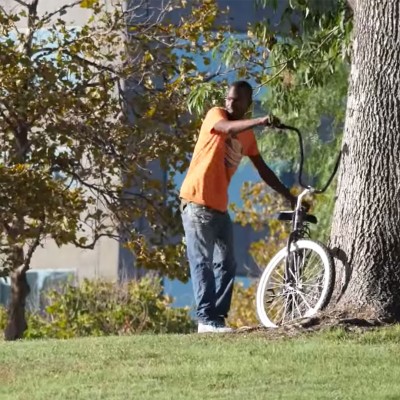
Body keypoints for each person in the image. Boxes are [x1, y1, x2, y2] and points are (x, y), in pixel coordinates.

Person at [179, 81, 296, 333]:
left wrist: (289, 195)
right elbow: (225, 128)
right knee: (202, 263)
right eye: (229, 98)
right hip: (196, 203)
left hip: (219, 208)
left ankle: (217, 319)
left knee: (228, 264)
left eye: (236, 100)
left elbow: (263, 169)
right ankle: (205, 321)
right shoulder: (216, 115)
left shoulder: (247, 136)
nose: (230, 103)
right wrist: (260, 121)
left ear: (248, 104)